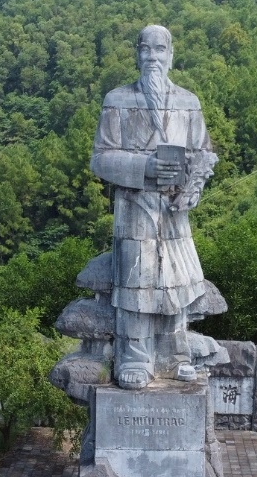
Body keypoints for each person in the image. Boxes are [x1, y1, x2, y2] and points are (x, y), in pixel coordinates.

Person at [91, 25, 219, 390]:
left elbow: (202, 153)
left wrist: (194, 187)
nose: (153, 57)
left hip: (174, 212)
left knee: (176, 282)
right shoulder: (117, 100)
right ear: (137, 53)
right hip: (135, 209)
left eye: (160, 50)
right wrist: (143, 167)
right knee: (138, 279)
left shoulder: (188, 103)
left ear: (171, 54)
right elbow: (100, 160)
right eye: (146, 49)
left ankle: (175, 355)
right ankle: (135, 357)